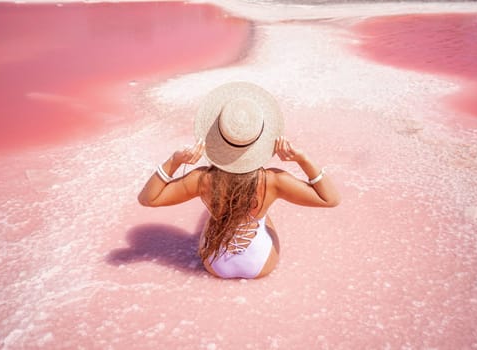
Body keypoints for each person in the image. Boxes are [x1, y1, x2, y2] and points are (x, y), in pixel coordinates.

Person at [138, 82, 340, 279]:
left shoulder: (202, 179)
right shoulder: (273, 181)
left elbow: (148, 199)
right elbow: (330, 199)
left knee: (216, 217)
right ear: (261, 140)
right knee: (261, 215)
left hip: (215, 265)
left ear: (218, 137)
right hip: (259, 264)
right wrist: (302, 159)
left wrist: (174, 161)